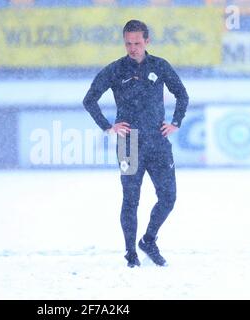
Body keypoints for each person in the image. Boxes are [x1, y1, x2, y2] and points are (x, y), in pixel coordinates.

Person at [83, 20, 189, 268]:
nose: (133, 48)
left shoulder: (160, 66)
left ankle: (148, 240)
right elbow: (89, 100)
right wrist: (108, 126)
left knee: (168, 197)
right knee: (131, 200)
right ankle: (131, 252)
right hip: (129, 144)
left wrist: (176, 121)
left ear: (147, 41)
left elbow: (182, 94)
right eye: (128, 43)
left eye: (137, 43)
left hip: (158, 142)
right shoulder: (115, 70)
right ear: (124, 42)